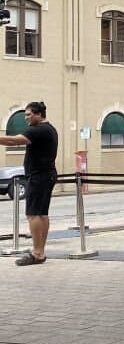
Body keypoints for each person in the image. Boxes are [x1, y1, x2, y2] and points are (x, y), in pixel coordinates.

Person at [0, 101, 58, 265]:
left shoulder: (38, 130)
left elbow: (14, 141)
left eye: (29, 114)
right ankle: (40, 249)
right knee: (42, 213)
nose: (26, 118)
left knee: (33, 214)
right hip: (46, 175)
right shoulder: (50, 128)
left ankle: (37, 253)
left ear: (39, 114)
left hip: (39, 176)